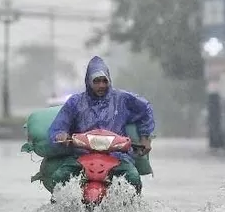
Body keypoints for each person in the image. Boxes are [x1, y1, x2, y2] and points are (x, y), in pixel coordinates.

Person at [43, 56, 155, 197]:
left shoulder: (122, 99)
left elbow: (145, 109)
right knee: (59, 177)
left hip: (117, 156)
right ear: (88, 81)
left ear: (109, 80)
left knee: (133, 178)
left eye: (104, 81)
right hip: (82, 156)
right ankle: (58, 211)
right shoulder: (75, 102)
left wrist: (145, 138)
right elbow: (59, 126)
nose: (101, 85)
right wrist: (60, 135)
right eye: (96, 81)